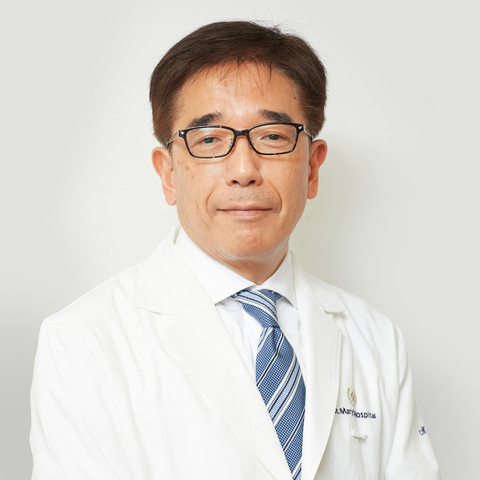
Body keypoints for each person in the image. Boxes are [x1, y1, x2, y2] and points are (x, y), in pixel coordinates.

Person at [30, 21, 441, 480]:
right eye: (209, 140)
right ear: (168, 174)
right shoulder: (83, 342)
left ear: (312, 168)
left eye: (272, 137)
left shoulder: (376, 340)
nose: (244, 170)